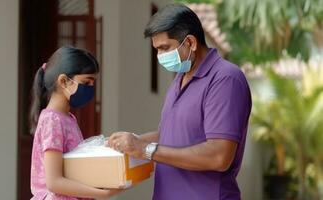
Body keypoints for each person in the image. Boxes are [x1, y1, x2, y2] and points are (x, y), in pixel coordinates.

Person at [107, 4, 252, 200]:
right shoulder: (180, 79)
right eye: (156, 50)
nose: (160, 56)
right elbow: (172, 136)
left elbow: (219, 156)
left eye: (164, 48)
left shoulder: (225, 79)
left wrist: (145, 149)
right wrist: (132, 142)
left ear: (190, 42)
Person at [29, 46, 121, 200]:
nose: (91, 88)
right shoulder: (52, 120)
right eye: (86, 82)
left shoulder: (67, 118)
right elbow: (54, 182)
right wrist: (101, 193)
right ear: (64, 81)